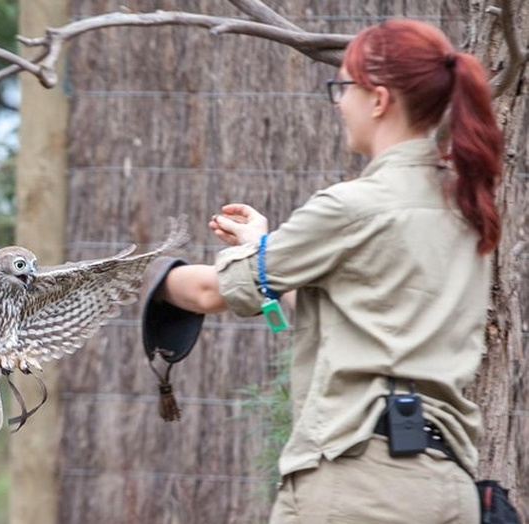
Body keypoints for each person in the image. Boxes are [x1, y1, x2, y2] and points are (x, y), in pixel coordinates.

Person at [149, 19, 503, 523]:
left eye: (344, 87)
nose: (339, 102)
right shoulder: (466, 212)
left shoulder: (353, 206)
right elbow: (356, 315)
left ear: (378, 99)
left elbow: (210, 291)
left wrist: (139, 278)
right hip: (449, 486)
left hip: (360, 486)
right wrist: (265, 247)